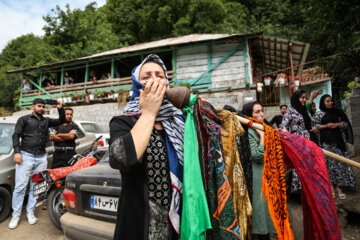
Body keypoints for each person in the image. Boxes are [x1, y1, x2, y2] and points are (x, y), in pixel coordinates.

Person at [109, 54, 183, 239]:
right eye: (146, 76)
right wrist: (149, 113)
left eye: (159, 75)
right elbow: (121, 159)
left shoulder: (181, 122)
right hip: (138, 226)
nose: (154, 80)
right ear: (136, 84)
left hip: (180, 226)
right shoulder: (124, 122)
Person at [9, 98, 65, 229]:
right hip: (25, 156)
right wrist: (17, 152)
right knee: (20, 187)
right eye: (39, 106)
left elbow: (61, 121)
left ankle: (30, 212)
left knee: (37, 187)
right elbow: (16, 135)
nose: (41, 108)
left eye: (43, 107)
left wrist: (60, 108)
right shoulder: (23, 119)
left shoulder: (46, 120)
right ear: (33, 106)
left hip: (41, 157)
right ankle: (16, 215)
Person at [242, 101, 276, 240]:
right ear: (250, 115)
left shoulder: (264, 127)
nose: (261, 114)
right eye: (257, 112)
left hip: (266, 175)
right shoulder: (251, 130)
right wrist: (262, 137)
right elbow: (256, 155)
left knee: (267, 210)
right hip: (257, 177)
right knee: (261, 211)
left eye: (262, 110)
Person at [314, 94, 355, 200]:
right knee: (328, 166)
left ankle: (339, 187)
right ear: (323, 102)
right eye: (327, 101)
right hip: (326, 144)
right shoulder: (319, 114)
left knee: (339, 165)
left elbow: (346, 124)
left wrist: (337, 125)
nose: (330, 103)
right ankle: (331, 187)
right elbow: (315, 126)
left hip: (338, 143)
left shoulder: (338, 112)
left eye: (331, 101)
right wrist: (327, 126)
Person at [280, 90, 317, 193]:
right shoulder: (290, 111)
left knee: (309, 166)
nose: (304, 100)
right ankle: (300, 192)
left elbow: (312, 123)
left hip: (309, 141)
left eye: (305, 97)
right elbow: (283, 126)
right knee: (300, 166)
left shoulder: (306, 111)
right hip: (298, 142)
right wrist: (290, 138)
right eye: (302, 97)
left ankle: (310, 190)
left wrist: (315, 128)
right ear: (296, 99)